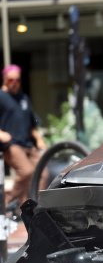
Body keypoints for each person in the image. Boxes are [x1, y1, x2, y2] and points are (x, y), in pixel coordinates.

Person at [0, 64, 46, 209]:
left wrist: (39, 139)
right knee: (26, 171)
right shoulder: (1, 96)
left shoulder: (23, 98)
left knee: (44, 172)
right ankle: (7, 203)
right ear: (4, 79)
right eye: (10, 80)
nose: (14, 83)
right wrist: (1, 134)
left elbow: (32, 123)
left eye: (17, 80)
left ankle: (33, 206)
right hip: (12, 145)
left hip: (28, 144)